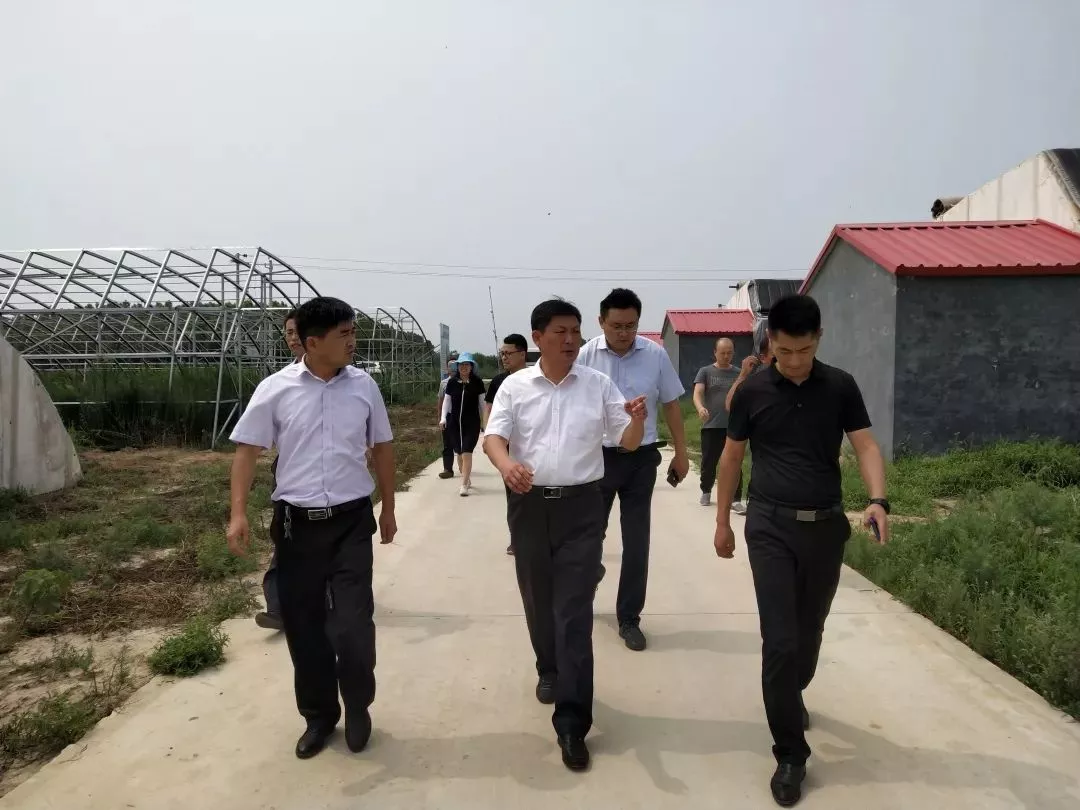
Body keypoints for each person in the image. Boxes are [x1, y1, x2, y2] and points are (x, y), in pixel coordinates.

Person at [712, 294, 889, 806]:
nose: (793, 362)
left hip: (825, 528)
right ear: (770, 343)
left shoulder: (840, 386)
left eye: (804, 351)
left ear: (819, 340)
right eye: (785, 351)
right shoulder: (752, 391)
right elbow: (731, 458)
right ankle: (790, 754)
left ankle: (791, 693)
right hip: (769, 525)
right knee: (780, 641)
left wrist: (878, 500)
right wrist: (722, 522)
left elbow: (865, 445)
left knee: (808, 635)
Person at [226, 296, 398, 760]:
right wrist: (238, 513)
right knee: (305, 627)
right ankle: (319, 717)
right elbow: (247, 451)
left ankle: (358, 706)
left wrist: (389, 507)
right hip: (296, 527)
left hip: (351, 522)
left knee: (353, 623)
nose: (353, 341)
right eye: (344, 334)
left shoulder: (364, 387)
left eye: (353, 332)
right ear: (313, 342)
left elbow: (382, 447)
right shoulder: (276, 389)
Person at [484, 298, 647, 772]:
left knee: (574, 611)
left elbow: (628, 441)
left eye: (575, 331)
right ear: (538, 338)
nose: (571, 339)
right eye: (561, 331)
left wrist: (636, 419)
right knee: (538, 599)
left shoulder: (598, 385)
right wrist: (507, 465)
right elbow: (493, 438)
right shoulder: (515, 386)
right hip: (529, 505)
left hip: (582, 508)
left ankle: (573, 723)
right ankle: (548, 667)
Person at [576, 288, 688, 652]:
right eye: (616, 326)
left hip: (640, 460)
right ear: (601, 322)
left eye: (631, 325)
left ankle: (629, 618)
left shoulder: (655, 355)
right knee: (588, 537)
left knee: (637, 542)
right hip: (598, 459)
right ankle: (588, 582)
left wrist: (682, 453)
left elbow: (671, 404)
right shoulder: (586, 355)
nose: (624, 332)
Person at [254, 308, 305, 632]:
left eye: (298, 331)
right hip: (289, 474)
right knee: (285, 540)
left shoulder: (348, 380)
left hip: (331, 482)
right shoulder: (279, 384)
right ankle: (277, 607)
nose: (293, 338)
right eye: (288, 332)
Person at [482, 333, 529, 555]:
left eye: (508, 353)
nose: (504, 357)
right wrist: (489, 434)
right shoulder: (499, 381)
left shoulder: (534, 379)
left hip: (531, 445)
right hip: (507, 448)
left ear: (522, 354)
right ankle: (517, 539)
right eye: (502, 354)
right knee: (514, 494)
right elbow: (488, 408)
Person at [692, 337, 744, 510]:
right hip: (712, 425)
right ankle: (706, 490)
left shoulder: (739, 373)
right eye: (722, 353)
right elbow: (697, 393)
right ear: (715, 352)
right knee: (709, 461)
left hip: (734, 426)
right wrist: (700, 408)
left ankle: (735, 498)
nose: (726, 356)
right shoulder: (705, 372)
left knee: (735, 462)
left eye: (729, 353)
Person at [440, 353, 485, 496]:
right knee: (459, 453)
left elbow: (482, 405)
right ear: (457, 366)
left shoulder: (477, 382)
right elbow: (446, 401)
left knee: (467, 452)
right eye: (461, 364)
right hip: (454, 423)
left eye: (467, 364)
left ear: (471, 367)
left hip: (472, 423)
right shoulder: (452, 382)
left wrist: (486, 424)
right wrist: (443, 418)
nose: (464, 367)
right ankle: (466, 476)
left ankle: (464, 484)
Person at [436, 357, 459, 479]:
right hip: (448, 416)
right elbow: (440, 401)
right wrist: (440, 417)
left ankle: (464, 464)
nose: (453, 368)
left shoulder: (463, 381)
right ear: (447, 368)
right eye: (450, 366)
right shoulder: (443, 383)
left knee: (460, 443)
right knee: (447, 443)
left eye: (455, 365)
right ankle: (448, 469)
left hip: (460, 416)